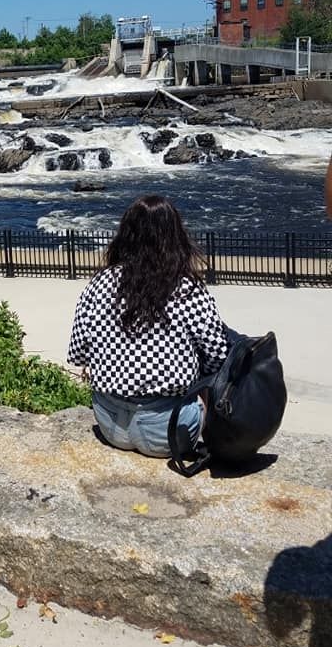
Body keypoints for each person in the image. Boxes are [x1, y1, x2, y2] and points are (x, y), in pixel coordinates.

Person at [67, 194, 230, 458]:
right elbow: (217, 356)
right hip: (168, 432)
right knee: (205, 385)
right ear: (176, 236)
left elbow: (78, 352)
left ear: (125, 235)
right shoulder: (187, 288)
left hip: (111, 425)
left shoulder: (99, 283)